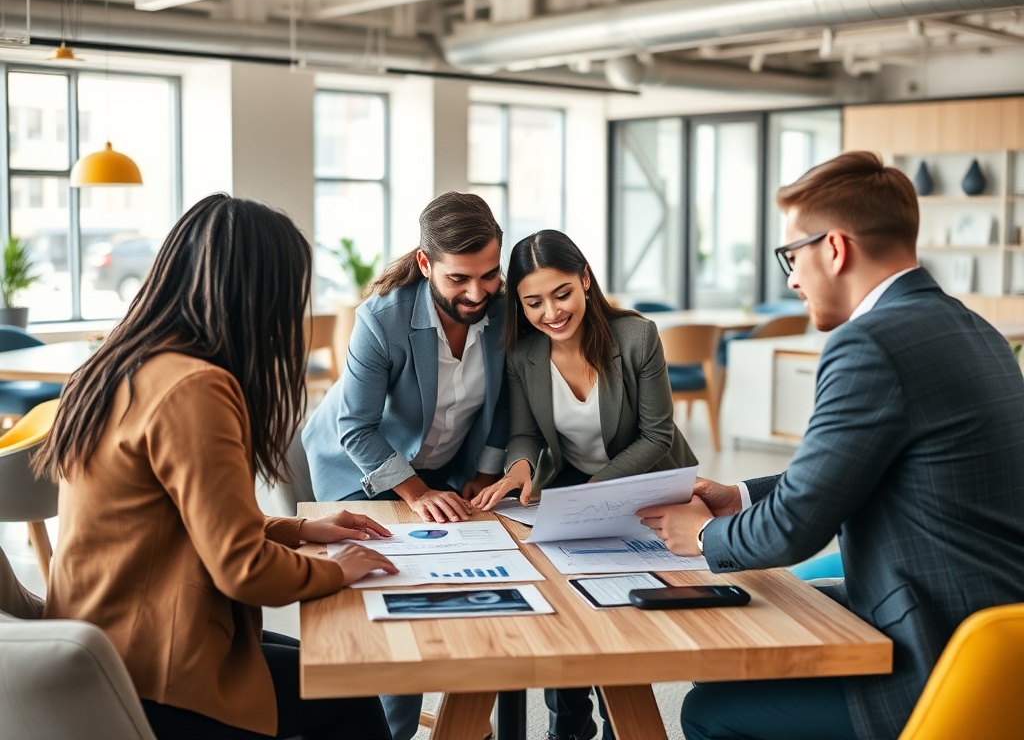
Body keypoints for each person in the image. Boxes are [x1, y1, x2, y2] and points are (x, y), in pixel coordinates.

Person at [636, 151, 1024, 740]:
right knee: (750, 632)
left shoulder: (871, 343)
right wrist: (737, 496)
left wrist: (702, 535)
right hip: (989, 632)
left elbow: (797, 527)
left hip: (937, 655)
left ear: (835, 248)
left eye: (792, 255)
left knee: (710, 711)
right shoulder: (973, 328)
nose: (791, 277)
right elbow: (846, 474)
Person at [34, 195, 399, 740]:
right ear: (257, 295)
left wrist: (299, 530)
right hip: (151, 671)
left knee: (312, 659)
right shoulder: (195, 387)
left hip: (102, 646)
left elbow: (181, 525)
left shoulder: (120, 363)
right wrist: (337, 568)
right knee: (348, 685)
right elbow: (244, 570)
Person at [473, 230, 698, 740]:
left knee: (618, 607)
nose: (550, 312)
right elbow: (526, 434)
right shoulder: (523, 355)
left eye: (562, 294)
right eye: (533, 302)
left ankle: (623, 721)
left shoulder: (637, 338)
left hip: (649, 483)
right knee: (563, 600)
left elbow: (656, 435)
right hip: (577, 487)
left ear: (586, 281)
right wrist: (520, 468)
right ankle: (568, 729)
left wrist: (597, 491)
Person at [301, 191, 509, 740]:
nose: (476, 292)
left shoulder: (506, 310)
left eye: (488, 275)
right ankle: (393, 729)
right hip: (359, 469)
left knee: (488, 576)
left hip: (444, 466)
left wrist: (487, 472)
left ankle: (468, 721)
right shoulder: (383, 318)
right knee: (399, 590)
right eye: (458, 279)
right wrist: (416, 493)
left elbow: (504, 404)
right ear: (425, 264)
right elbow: (356, 429)